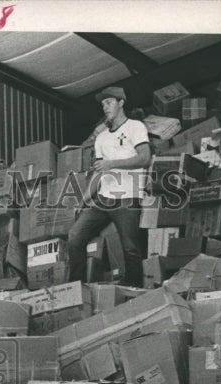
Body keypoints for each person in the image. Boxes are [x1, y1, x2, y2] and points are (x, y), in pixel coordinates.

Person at [67, 85, 150, 287]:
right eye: (103, 104)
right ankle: (76, 290)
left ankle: (134, 291)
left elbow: (145, 158)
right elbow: (98, 172)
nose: (105, 107)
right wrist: (85, 198)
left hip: (128, 196)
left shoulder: (135, 127)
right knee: (74, 237)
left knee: (130, 248)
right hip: (104, 199)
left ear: (121, 103)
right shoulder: (102, 138)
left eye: (109, 102)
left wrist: (111, 164)